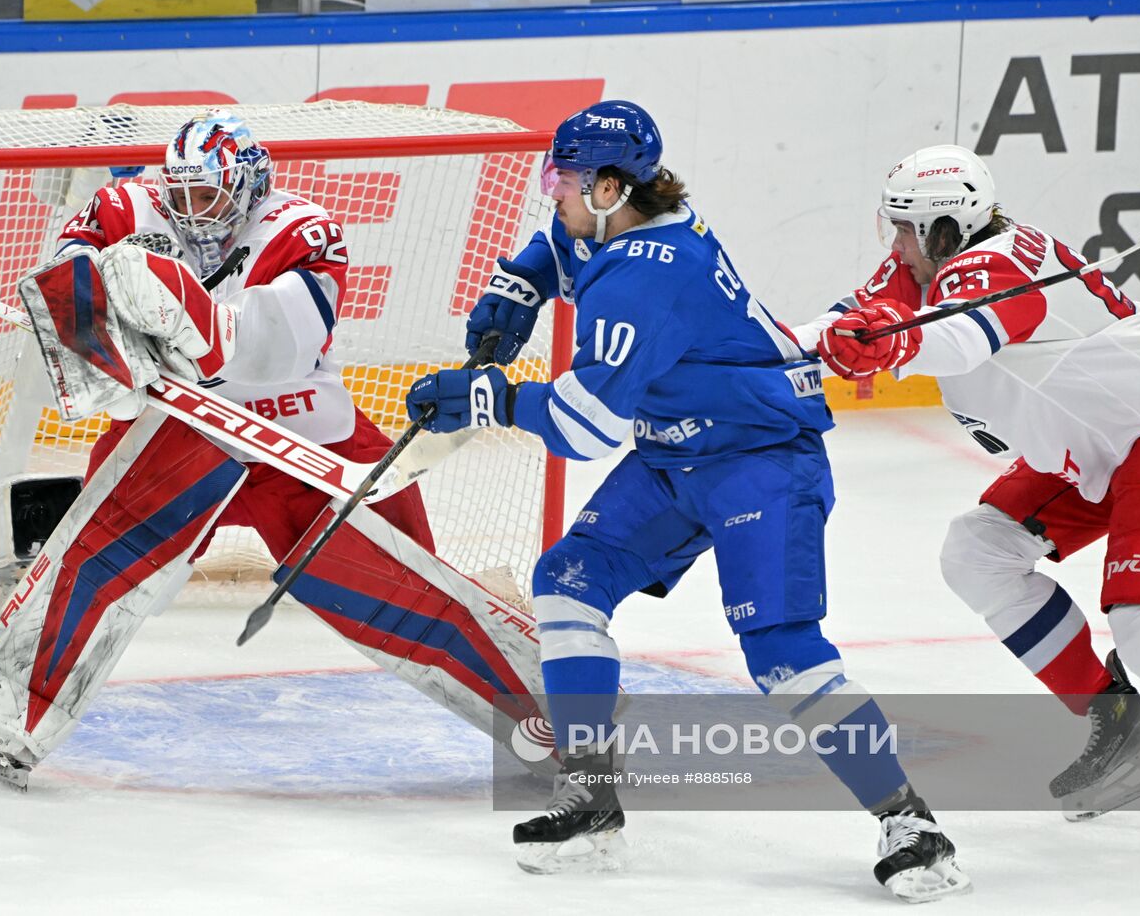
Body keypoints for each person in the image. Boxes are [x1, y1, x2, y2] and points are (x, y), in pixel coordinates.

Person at [405, 101, 970, 901]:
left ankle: (910, 821)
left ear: (606, 187)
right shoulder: (630, 217)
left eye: (560, 180)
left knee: (780, 649)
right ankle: (590, 798)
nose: (550, 194)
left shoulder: (643, 276)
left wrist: (486, 395)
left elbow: (582, 425)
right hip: (676, 452)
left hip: (760, 461)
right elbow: (558, 246)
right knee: (566, 581)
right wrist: (518, 285)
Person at [0, 109, 436, 788]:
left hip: (299, 432)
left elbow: (279, 347)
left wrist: (180, 319)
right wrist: (100, 352)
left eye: (205, 195)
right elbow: (65, 290)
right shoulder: (122, 206)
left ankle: (538, 705)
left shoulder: (304, 229)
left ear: (249, 187)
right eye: (178, 195)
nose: (190, 211)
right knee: (92, 564)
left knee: (410, 577)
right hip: (169, 437)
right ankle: (11, 722)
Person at [798, 144, 1140, 820]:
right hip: (1103, 449)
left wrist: (889, 342)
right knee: (977, 551)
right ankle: (1120, 722)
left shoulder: (1003, 262)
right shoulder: (921, 265)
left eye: (903, 228)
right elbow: (843, 323)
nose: (894, 244)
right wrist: (737, 350)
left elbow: (961, 338)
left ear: (942, 228)